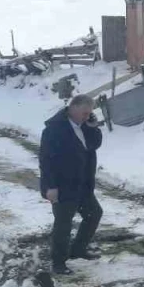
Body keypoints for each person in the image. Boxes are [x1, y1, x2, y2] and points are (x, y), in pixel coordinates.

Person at [38, 94, 104, 275]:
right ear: (73, 108)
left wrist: (93, 127)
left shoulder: (85, 125)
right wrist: (50, 187)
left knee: (94, 214)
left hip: (83, 183)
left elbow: (95, 144)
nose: (87, 116)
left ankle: (78, 249)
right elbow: (46, 160)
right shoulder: (54, 129)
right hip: (62, 185)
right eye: (84, 113)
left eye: (89, 113)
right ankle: (58, 263)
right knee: (63, 224)